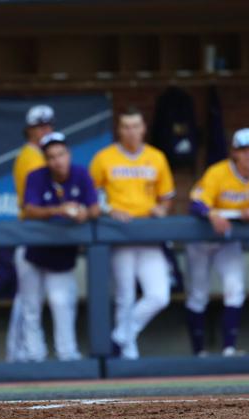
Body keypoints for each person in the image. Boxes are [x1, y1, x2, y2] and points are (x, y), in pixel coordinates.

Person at [90, 106, 175, 360]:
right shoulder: (104, 158)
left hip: (149, 235)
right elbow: (90, 196)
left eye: (136, 126)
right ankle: (128, 353)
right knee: (124, 296)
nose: (131, 131)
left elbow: (167, 197)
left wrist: (162, 208)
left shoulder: (156, 157)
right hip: (120, 235)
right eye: (126, 126)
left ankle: (119, 337)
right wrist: (109, 209)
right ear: (119, 129)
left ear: (143, 128)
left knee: (159, 296)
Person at [186, 128, 249, 357]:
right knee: (198, 294)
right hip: (203, 237)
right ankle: (199, 353)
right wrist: (212, 214)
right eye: (243, 150)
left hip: (229, 239)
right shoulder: (218, 172)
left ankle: (229, 348)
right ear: (234, 153)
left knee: (235, 288)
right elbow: (195, 203)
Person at [21, 132, 100, 361]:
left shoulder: (80, 174)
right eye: (52, 156)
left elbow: (95, 208)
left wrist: (84, 213)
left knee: (61, 303)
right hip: (34, 251)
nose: (58, 160)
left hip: (63, 253)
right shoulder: (37, 176)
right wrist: (60, 209)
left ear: (68, 154)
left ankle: (68, 355)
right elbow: (30, 210)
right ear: (46, 160)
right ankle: (34, 357)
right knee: (30, 306)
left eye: (61, 154)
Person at [6, 104, 55, 362]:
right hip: (30, 230)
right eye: (39, 127)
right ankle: (21, 355)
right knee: (28, 300)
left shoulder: (43, 154)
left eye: (48, 126)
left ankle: (23, 353)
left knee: (30, 299)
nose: (45, 130)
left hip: (43, 233)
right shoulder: (30, 155)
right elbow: (34, 202)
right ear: (30, 130)